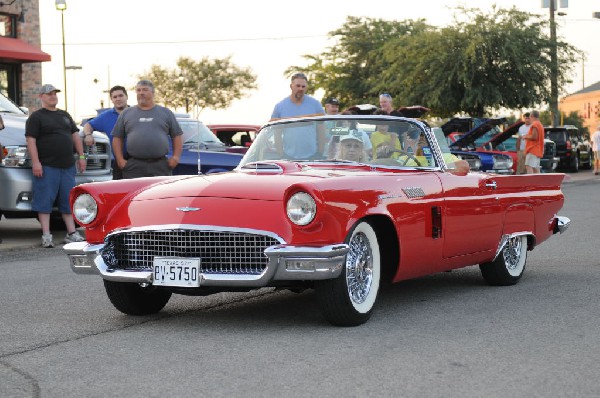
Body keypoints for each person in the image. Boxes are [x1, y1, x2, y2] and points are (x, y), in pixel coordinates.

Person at [25, 84, 86, 248]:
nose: (53, 96)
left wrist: (81, 156)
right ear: (41, 97)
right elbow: (31, 140)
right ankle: (46, 235)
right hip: (47, 166)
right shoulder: (36, 117)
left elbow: (75, 135)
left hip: (67, 166)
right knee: (44, 201)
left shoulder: (65, 115)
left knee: (68, 200)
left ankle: (72, 233)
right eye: (49, 94)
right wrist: (36, 162)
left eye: (54, 94)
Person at [111, 80, 183, 179]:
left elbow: (177, 135)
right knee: (135, 194)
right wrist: (120, 160)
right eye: (138, 90)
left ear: (153, 93)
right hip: (134, 167)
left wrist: (175, 157)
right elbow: (117, 137)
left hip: (161, 166)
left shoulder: (166, 113)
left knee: (160, 194)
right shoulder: (126, 113)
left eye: (145, 90)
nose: (141, 93)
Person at [270, 73, 325, 158]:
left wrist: (320, 153)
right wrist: (281, 154)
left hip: (313, 155)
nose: (301, 89)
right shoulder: (280, 106)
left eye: (303, 86)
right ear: (291, 86)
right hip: (288, 156)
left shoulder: (316, 104)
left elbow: (322, 131)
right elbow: (277, 135)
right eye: (298, 86)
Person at [82, 85, 129, 179]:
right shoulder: (106, 116)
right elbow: (88, 125)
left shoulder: (136, 112)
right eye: (115, 97)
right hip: (118, 162)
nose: (118, 99)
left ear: (126, 97)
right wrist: (88, 135)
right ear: (111, 99)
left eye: (121, 96)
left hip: (139, 161)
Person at [523, 110, 545, 174]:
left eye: (529, 116)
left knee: (529, 166)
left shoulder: (535, 124)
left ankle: (530, 182)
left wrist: (525, 136)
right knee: (536, 168)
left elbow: (534, 136)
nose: (529, 118)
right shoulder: (540, 125)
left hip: (532, 149)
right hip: (538, 150)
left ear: (532, 116)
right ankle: (537, 183)